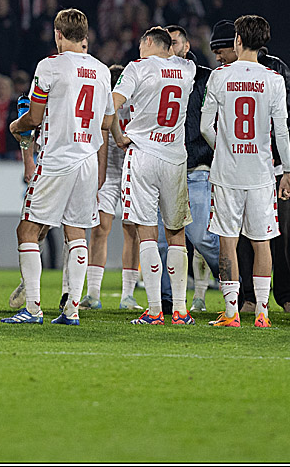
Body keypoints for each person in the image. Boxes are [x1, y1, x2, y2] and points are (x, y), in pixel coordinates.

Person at [3, 8, 114, 325]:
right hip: (87, 159)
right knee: (76, 232)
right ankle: (72, 310)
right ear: (86, 36)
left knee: (27, 229)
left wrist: (16, 125)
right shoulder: (102, 70)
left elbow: (34, 119)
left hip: (57, 157)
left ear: (58, 35)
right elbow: (106, 121)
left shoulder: (49, 66)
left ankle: (33, 309)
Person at [200, 15, 290, 328]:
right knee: (262, 241)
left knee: (228, 241)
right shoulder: (274, 79)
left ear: (238, 40)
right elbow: (281, 130)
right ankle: (263, 314)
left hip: (227, 171)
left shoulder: (220, 76)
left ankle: (231, 313)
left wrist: (223, 147)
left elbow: (204, 127)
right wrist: (287, 171)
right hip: (261, 172)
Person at [110, 26, 197, 325]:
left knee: (146, 232)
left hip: (143, 155)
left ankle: (155, 310)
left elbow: (111, 105)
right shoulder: (187, 69)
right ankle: (182, 311)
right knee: (176, 235)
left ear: (148, 42)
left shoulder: (137, 68)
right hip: (175, 158)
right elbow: (185, 58)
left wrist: (120, 135)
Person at [152, 24, 219, 314]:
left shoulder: (205, 78)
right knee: (162, 240)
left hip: (197, 167)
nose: (170, 48)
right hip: (163, 166)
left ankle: (233, 285)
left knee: (203, 237)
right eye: (165, 44)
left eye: (175, 43)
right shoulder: (154, 78)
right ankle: (167, 299)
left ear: (187, 46)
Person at [79, 63, 138, 310]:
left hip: (132, 172)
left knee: (132, 229)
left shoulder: (137, 103)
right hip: (110, 173)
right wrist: (100, 174)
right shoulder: (104, 103)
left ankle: (128, 295)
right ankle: (93, 293)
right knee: (101, 228)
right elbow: (101, 137)